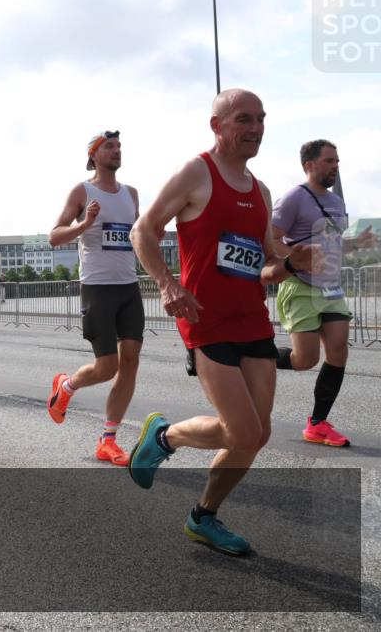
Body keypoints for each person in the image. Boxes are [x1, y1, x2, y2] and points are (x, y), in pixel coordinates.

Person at [129, 89, 321, 556]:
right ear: (217, 126)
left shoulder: (261, 191)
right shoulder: (197, 172)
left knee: (257, 435)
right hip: (206, 319)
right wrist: (168, 284)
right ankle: (164, 436)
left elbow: (266, 263)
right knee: (243, 431)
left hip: (252, 320)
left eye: (261, 119)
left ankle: (203, 516)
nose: (256, 128)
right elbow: (142, 230)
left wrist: (291, 263)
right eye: (244, 119)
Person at [45, 130, 143, 466]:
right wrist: (85, 223)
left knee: (131, 361)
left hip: (129, 286)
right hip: (97, 288)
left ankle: (108, 440)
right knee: (107, 367)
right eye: (109, 146)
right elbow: (54, 237)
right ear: (93, 155)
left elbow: (137, 235)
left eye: (119, 146)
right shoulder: (82, 191)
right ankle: (66, 387)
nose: (117, 150)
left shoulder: (131, 194)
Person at [271, 140, 377, 447]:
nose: (336, 166)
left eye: (337, 161)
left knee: (339, 351)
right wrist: (294, 259)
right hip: (301, 286)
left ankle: (317, 424)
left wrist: (356, 243)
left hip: (330, 287)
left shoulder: (336, 202)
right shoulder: (294, 198)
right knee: (305, 359)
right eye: (329, 161)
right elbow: (271, 237)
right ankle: (253, 354)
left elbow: (333, 243)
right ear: (310, 165)